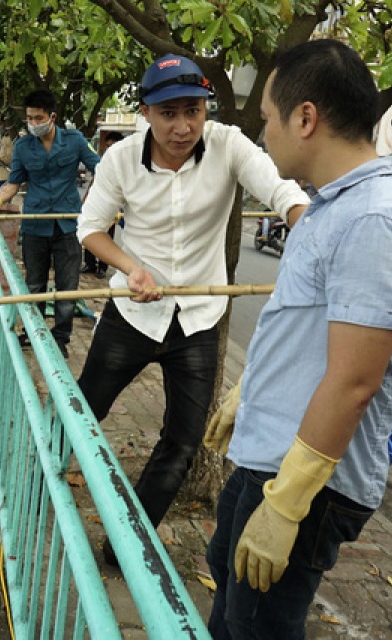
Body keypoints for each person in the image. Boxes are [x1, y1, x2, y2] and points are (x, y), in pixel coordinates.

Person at [202, 39, 392, 638]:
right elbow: (305, 331)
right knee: (226, 584)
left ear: (305, 118)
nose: (263, 135)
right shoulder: (330, 208)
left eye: (266, 119)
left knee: (258, 623)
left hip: (306, 477)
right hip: (270, 452)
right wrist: (248, 394)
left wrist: (286, 506)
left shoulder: (376, 220)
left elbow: (354, 381)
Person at [75, 53, 310, 565]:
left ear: (206, 109)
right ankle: (42, 471)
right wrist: (130, 267)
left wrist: (306, 220)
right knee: (81, 412)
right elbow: (89, 228)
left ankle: (125, 546)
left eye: (193, 111)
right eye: (168, 113)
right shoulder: (119, 159)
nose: (182, 126)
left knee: (181, 445)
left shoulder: (228, 145)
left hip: (199, 321)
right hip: (132, 313)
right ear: (146, 112)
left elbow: (279, 189)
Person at [0, 89, 101, 358]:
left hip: (68, 225)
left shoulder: (74, 141)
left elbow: (103, 171)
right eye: (29, 118)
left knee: (67, 286)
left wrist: (91, 205)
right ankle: (35, 334)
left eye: (38, 118)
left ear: (52, 117)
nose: (33, 123)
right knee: (35, 285)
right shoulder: (24, 146)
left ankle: (61, 339)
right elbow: (12, 185)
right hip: (35, 225)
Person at [82, 131, 126, 278]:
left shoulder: (126, 165)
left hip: (114, 208)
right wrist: (86, 199)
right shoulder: (104, 162)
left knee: (107, 235)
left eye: (112, 145)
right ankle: (90, 264)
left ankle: (103, 267)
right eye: (107, 146)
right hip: (99, 203)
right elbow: (94, 183)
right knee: (90, 231)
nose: (110, 148)